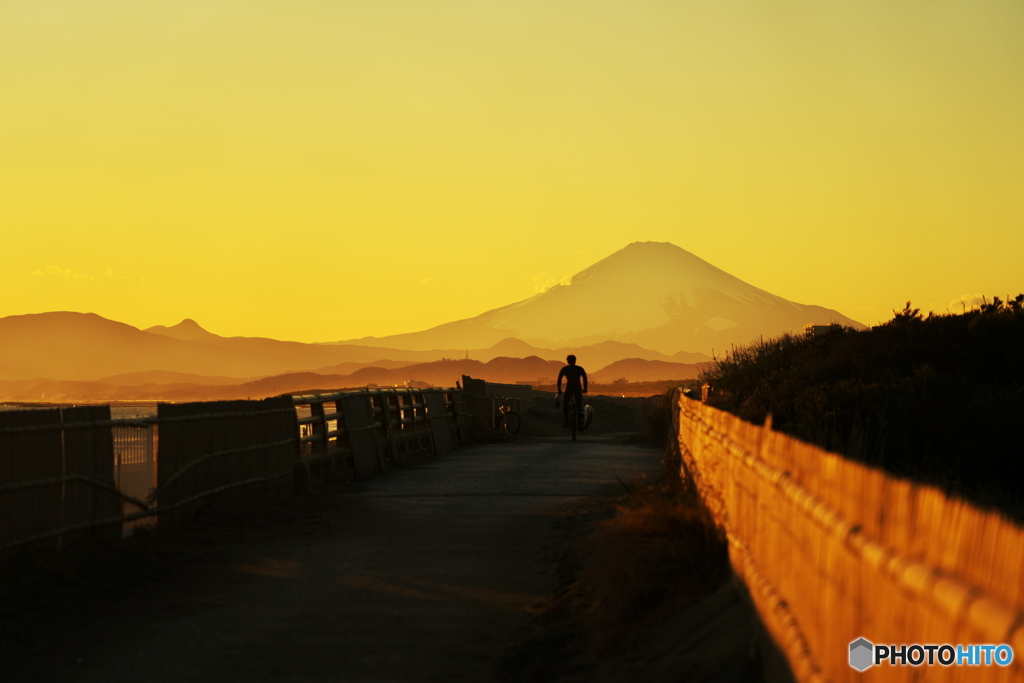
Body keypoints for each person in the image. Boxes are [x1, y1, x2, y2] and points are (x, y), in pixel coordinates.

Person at [557, 354, 588, 428]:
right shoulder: (579, 368)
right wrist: (585, 389)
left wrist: (559, 390)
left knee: (565, 405)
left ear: (567, 361)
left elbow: (559, 380)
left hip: (569, 388)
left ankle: (566, 422)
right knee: (579, 405)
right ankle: (580, 421)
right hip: (577, 388)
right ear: (575, 361)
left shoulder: (565, 369)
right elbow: (585, 379)